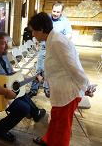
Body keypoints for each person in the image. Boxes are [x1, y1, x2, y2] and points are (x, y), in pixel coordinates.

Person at [28, 12, 96, 146]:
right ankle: (48, 140)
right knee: (55, 121)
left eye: (34, 31)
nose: (33, 35)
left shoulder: (57, 41)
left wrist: (86, 87)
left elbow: (74, 67)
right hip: (60, 90)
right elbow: (57, 65)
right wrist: (44, 77)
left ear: (41, 29)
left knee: (62, 128)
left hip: (67, 93)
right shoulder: (52, 39)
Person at [0, 32, 46, 142]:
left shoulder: (2, 54)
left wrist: (24, 77)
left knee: (22, 92)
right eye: (3, 43)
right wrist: (5, 92)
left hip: (5, 88)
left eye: (7, 42)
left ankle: (35, 113)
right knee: (24, 108)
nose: (7, 46)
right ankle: (0, 129)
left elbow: (10, 73)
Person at [28, 1, 73, 98]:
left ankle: (47, 88)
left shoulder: (65, 22)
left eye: (58, 12)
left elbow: (69, 35)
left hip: (56, 48)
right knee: (39, 69)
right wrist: (36, 40)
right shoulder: (46, 19)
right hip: (44, 47)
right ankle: (33, 89)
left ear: (61, 12)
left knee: (50, 69)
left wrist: (61, 41)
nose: (55, 13)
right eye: (54, 11)